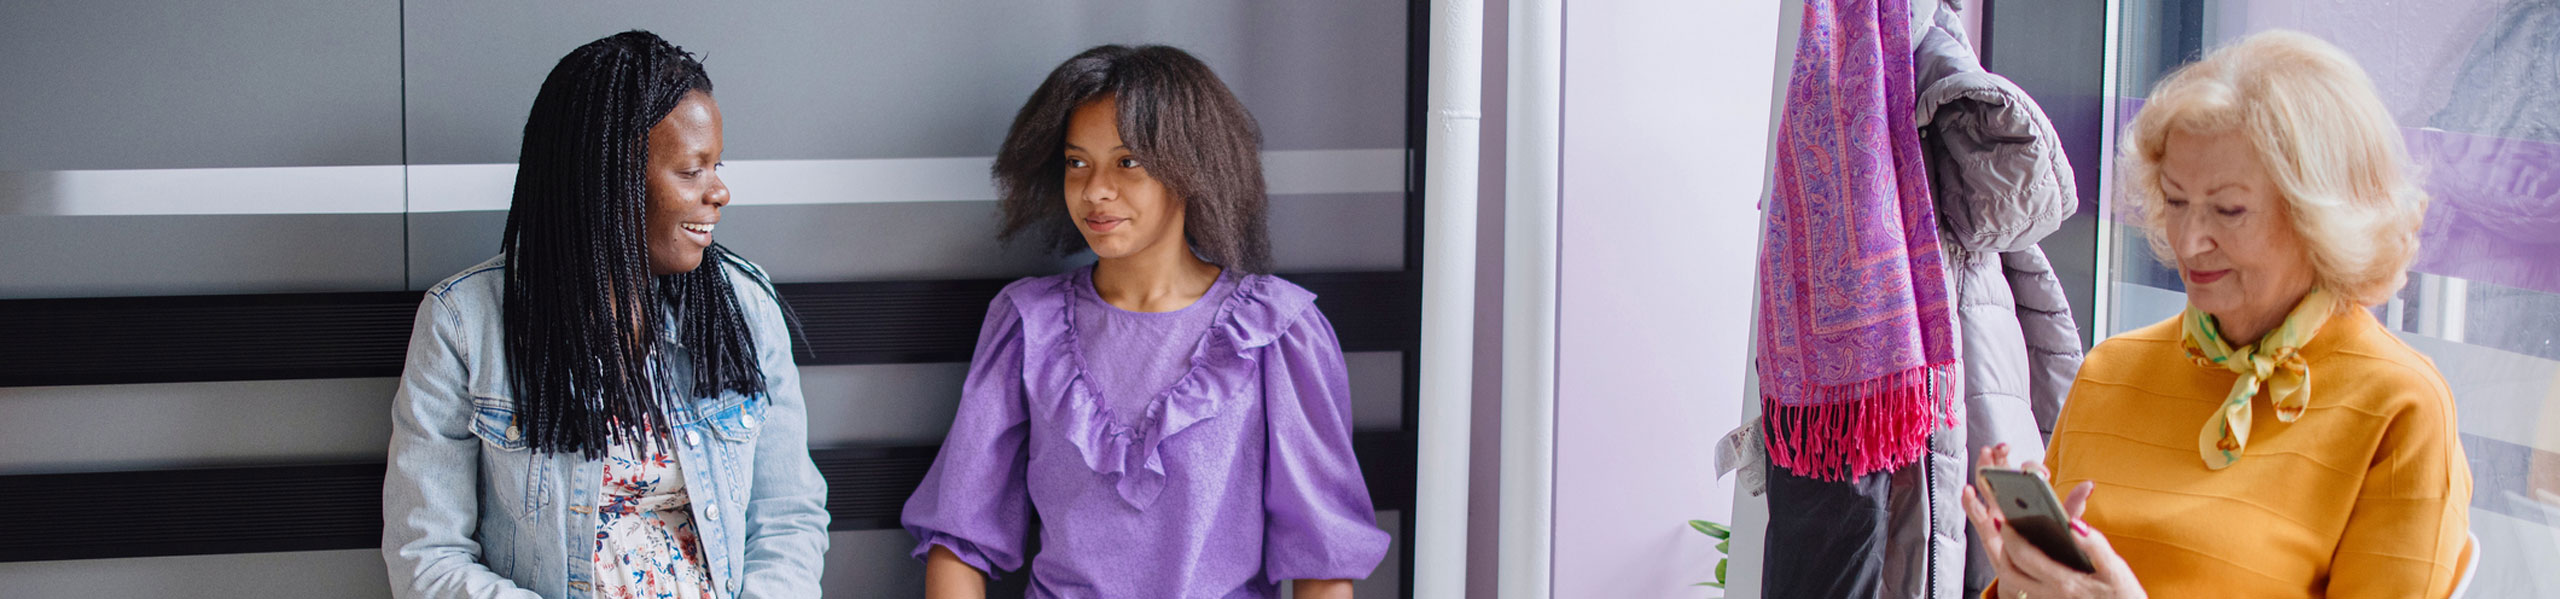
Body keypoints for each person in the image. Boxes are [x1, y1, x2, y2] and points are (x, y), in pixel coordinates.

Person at [1960, 30, 2471, 599]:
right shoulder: (2110, 371)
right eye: (2175, 201)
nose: (2190, 239)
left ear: (2320, 217)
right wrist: (2021, 583)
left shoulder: (2401, 406)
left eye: (2229, 210)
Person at [900, 44, 1389, 598]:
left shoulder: (1276, 332)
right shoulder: (1025, 325)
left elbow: (1321, 566)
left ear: (1189, 168)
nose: (1095, 190)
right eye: (1076, 161)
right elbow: (958, 540)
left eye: (1128, 162)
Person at [382, 30, 829, 599]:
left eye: (717, 166)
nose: (720, 192)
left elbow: (788, 517)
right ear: (609, 182)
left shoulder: (744, 308)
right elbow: (427, 558)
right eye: (692, 171)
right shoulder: (464, 325)